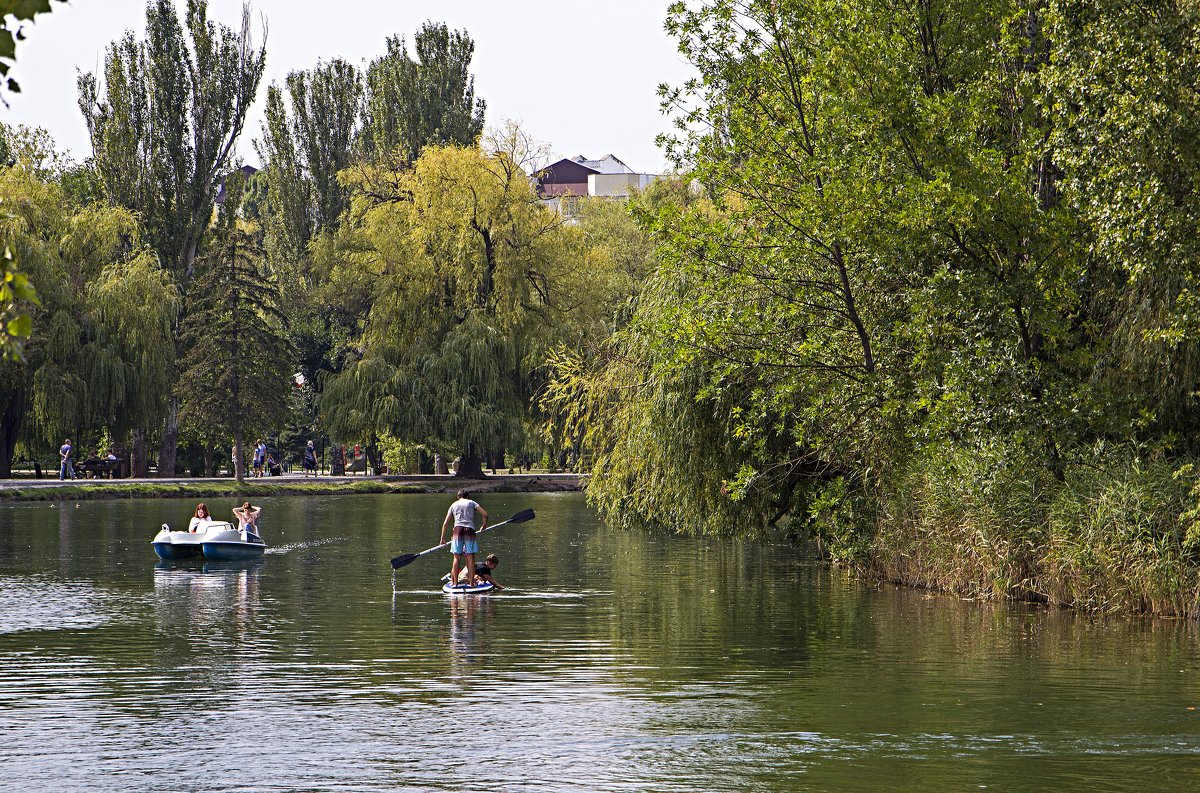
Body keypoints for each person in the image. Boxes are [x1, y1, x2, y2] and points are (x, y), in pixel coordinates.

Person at [440, 490, 488, 589]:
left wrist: (443, 538)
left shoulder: (453, 504)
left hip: (457, 530)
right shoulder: (471, 502)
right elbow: (485, 515)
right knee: (470, 558)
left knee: (456, 558)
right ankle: (471, 584)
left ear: (458, 497)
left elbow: (445, 523)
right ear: (467, 496)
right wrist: (484, 526)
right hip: (469, 530)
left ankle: (455, 584)